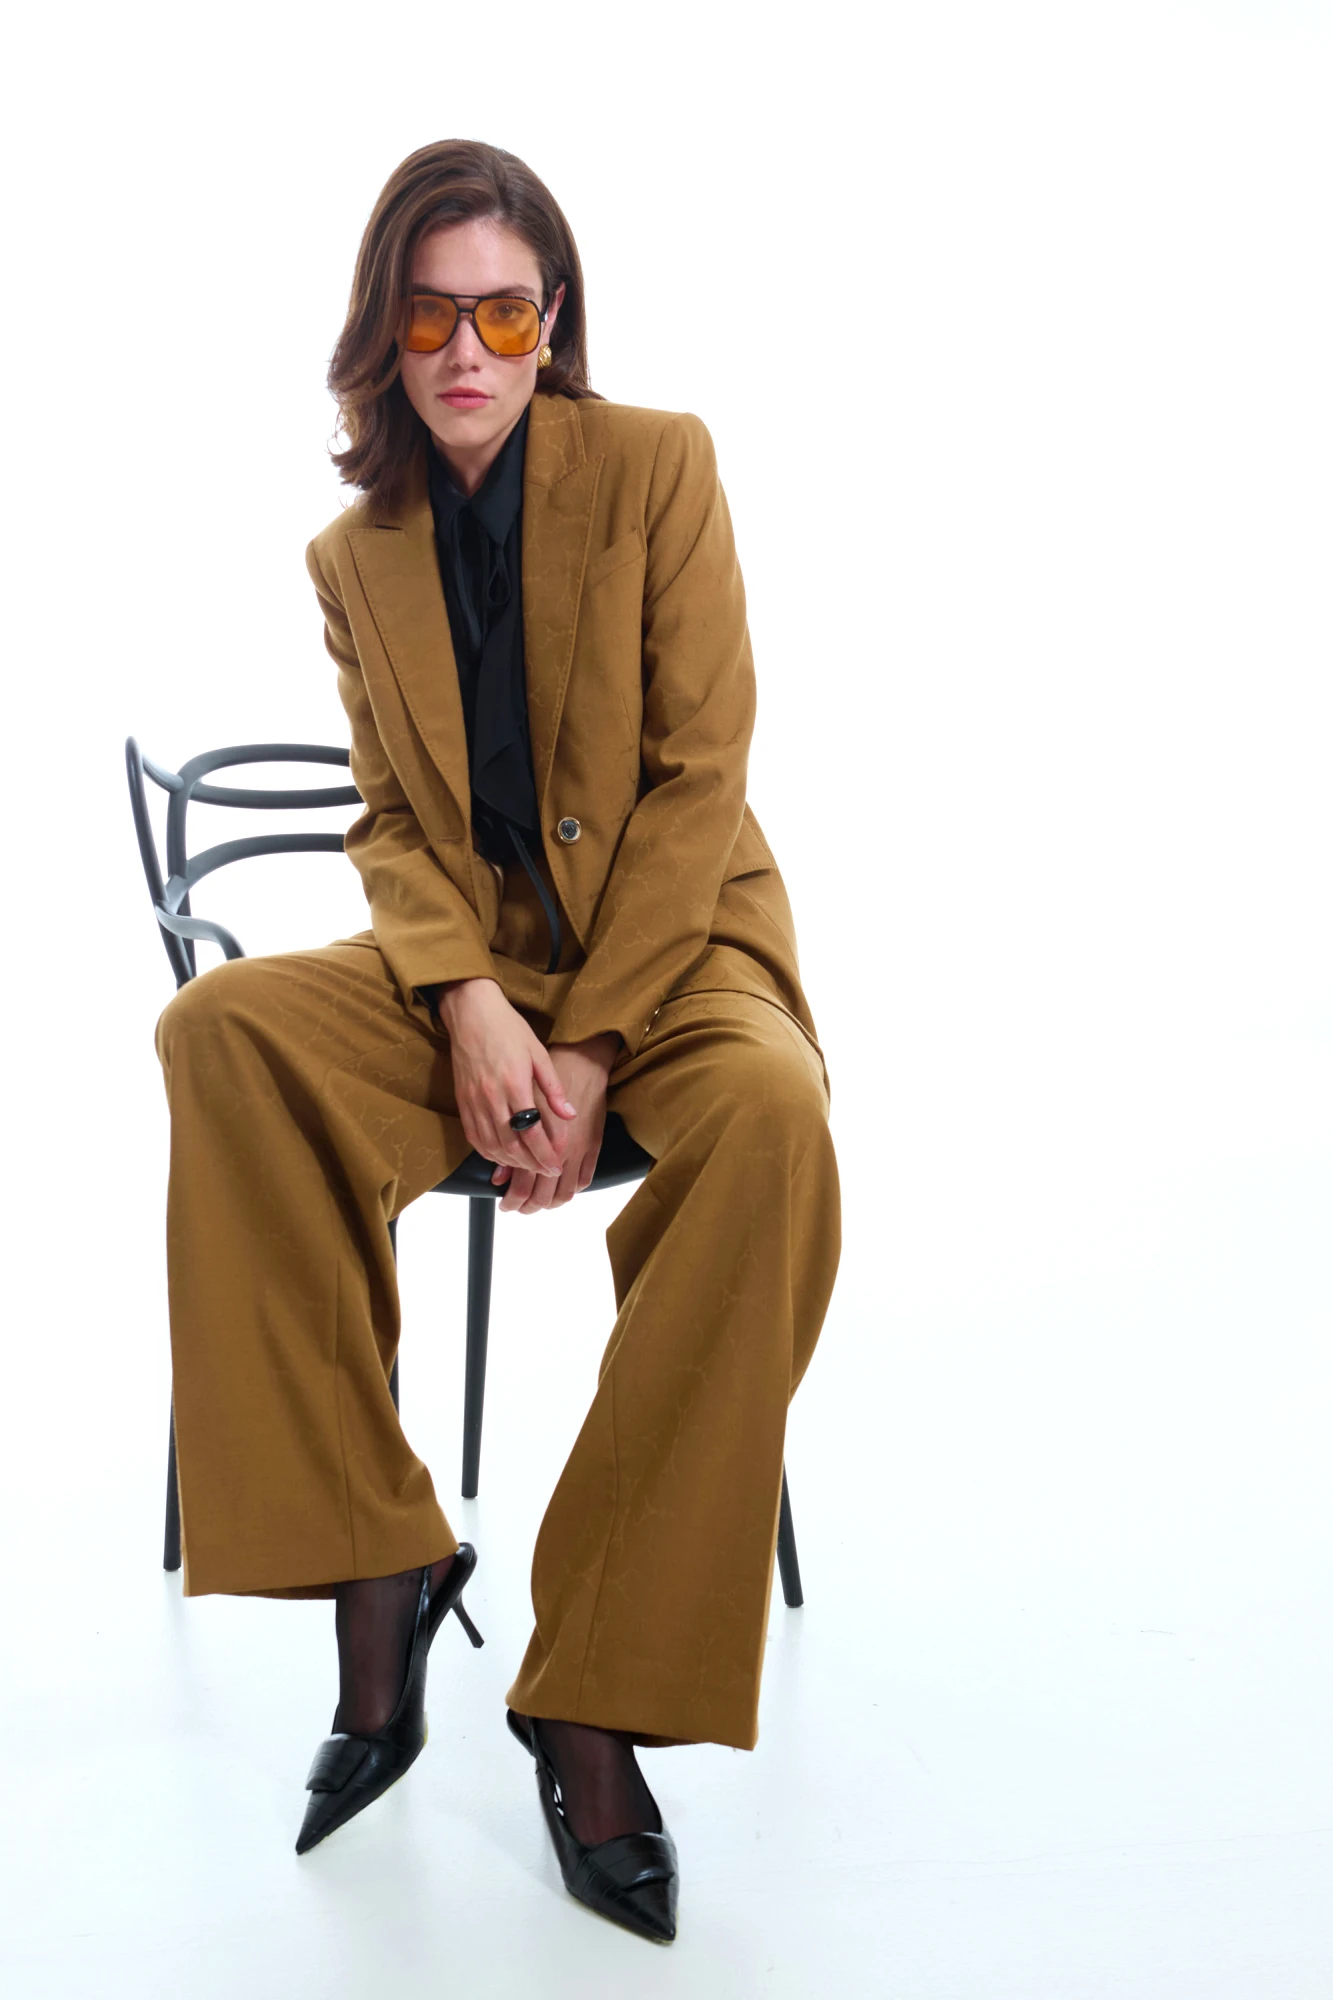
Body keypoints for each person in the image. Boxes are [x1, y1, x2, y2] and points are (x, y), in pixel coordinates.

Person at [154, 138, 841, 1945]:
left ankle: (593, 1689)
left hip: (673, 956)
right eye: (433, 312)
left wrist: (590, 1047)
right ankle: (377, 1562)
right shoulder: (351, 555)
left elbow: (699, 779)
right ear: (385, 330)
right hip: (478, 970)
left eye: (506, 313)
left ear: (554, 324)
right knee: (223, 1029)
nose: (469, 349)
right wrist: (466, 1000)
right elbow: (392, 817)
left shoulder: (661, 467)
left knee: (772, 1116)